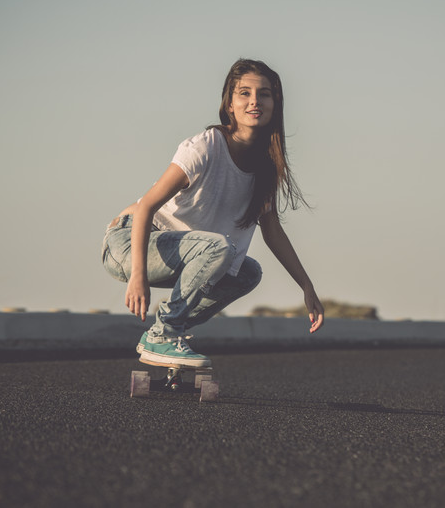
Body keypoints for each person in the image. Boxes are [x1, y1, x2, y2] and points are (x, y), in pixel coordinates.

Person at [101, 58, 324, 368]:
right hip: (131, 242)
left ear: (276, 103)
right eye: (244, 93)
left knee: (247, 272)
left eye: (264, 94)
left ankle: (165, 330)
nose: (254, 101)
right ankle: (163, 336)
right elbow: (147, 207)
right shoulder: (205, 147)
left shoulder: (265, 167)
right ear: (229, 104)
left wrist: (306, 286)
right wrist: (138, 276)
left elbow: (272, 231)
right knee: (220, 246)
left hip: (186, 253)